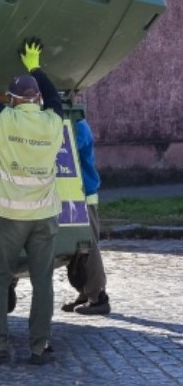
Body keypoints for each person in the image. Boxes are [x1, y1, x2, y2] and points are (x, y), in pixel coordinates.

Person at [0, 31, 64, 366]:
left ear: (11, 99)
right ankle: (40, 347)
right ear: (36, 99)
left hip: (8, 216)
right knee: (42, 283)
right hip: (44, 217)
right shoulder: (53, 122)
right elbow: (55, 98)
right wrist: (36, 67)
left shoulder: (4, 119)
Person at [61, 118, 111, 315]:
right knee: (77, 246)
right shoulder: (75, 123)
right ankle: (85, 293)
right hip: (74, 192)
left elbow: (69, 145)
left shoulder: (78, 125)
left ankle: (99, 297)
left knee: (88, 244)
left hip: (82, 193)